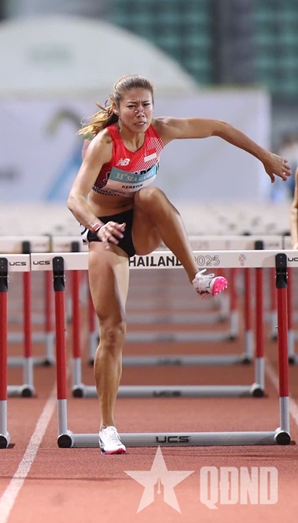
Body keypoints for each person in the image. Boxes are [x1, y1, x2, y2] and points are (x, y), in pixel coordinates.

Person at [66, 74, 290, 455]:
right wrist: (98, 228)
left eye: (146, 104)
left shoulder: (161, 131)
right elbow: (75, 198)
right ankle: (107, 427)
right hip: (108, 234)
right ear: (118, 109)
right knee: (114, 330)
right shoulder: (105, 143)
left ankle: (196, 276)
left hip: (144, 226)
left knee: (150, 195)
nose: (141, 112)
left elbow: (219, 127)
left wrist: (264, 156)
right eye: (132, 106)